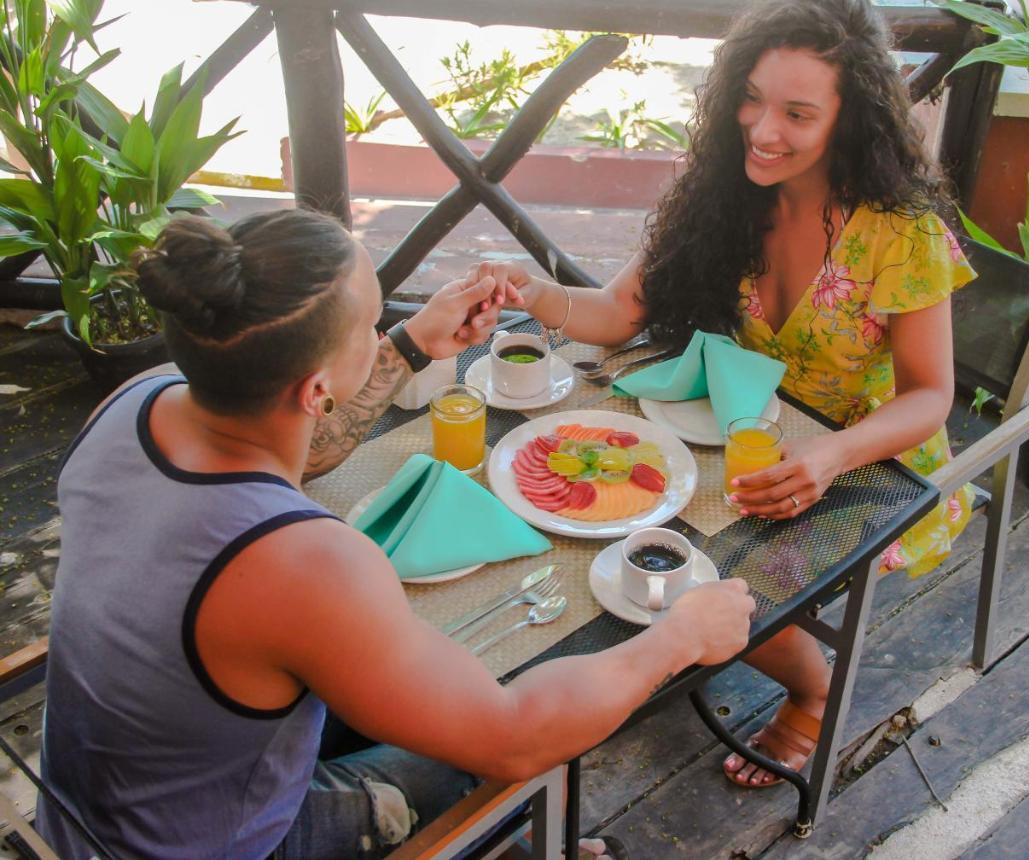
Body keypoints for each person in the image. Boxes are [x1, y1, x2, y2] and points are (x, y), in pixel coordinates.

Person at [36, 207, 756, 859]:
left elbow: (298, 446)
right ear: (316, 389)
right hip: (216, 846)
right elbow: (512, 734)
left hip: (88, 801)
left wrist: (410, 346)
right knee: (515, 707)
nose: (384, 332)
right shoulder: (303, 563)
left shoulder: (142, 398)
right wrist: (680, 638)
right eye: (372, 325)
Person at [467, 0, 975, 788]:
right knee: (609, 514)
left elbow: (929, 398)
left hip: (868, 467)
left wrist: (830, 457)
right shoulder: (723, 191)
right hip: (736, 436)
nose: (762, 129)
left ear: (852, 119)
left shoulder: (900, 233)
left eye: (797, 113)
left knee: (699, 572)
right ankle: (679, 643)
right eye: (752, 97)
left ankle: (813, 688)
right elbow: (613, 315)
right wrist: (529, 293)